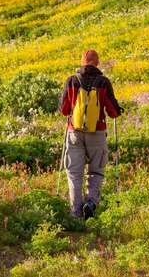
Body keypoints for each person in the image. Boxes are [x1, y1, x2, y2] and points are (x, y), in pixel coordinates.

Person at [58, 49, 122, 220]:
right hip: (97, 133)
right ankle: (91, 202)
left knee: (74, 173)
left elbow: (64, 110)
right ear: (97, 63)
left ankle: (75, 214)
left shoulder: (71, 81)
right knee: (96, 171)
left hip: (75, 133)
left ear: (82, 62)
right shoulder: (103, 82)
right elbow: (114, 112)